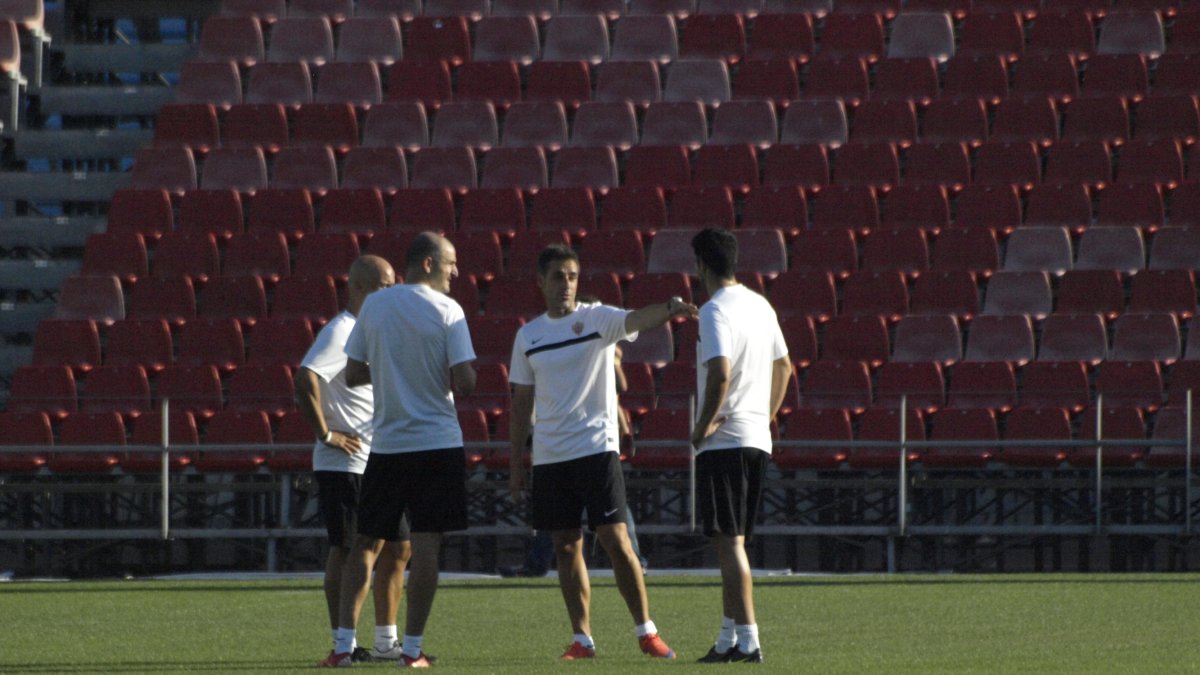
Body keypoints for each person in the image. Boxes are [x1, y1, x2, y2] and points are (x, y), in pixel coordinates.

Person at [507, 244, 697, 661]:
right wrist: (516, 465)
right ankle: (582, 638)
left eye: (572, 275)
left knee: (615, 537)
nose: (566, 284)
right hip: (550, 456)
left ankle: (646, 631)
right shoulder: (528, 335)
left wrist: (669, 308)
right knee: (565, 545)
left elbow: (637, 319)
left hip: (595, 449)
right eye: (558, 276)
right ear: (541, 282)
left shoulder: (595, 318)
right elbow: (521, 401)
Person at [323, 232, 477, 669]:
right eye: (450, 263)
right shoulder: (449, 310)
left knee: (366, 544)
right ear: (428, 263)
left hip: (388, 446)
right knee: (425, 546)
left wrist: (394, 371)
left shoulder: (373, 306)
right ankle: (411, 651)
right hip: (437, 444)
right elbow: (465, 382)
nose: (456, 272)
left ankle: (342, 647)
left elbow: (353, 373)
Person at [688, 228, 792, 665]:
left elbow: (720, 374)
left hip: (725, 441)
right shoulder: (760, 304)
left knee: (729, 542)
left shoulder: (714, 310)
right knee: (732, 541)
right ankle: (728, 637)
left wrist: (702, 425)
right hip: (755, 439)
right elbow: (784, 367)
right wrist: (764, 417)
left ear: (701, 266)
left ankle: (749, 638)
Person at [300, 256, 410, 666]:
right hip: (344, 463)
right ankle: (342, 643)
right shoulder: (341, 331)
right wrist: (327, 434)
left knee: (399, 548)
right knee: (346, 550)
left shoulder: (368, 333)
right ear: (360, 287)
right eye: (384, 285)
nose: (391, 292)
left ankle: (385, 641)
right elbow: (305, 378)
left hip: (375, 459)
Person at [499, 342, 647, 579]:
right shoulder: (553, 352)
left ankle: (636, 561)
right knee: (558, 518)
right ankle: (537, 563)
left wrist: (613, 359)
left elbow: (619, 388)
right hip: (557, 438)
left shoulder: (594, 354)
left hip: (592, 441)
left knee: (612, 517)